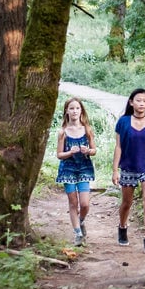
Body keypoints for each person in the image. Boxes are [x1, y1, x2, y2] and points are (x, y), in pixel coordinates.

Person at [112, 88, 145, 253]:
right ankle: (122, 226)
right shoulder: (123, 122)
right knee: (127, 203)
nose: (142, 103)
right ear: (131, 102)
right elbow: (118, 147)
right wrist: (115, 170)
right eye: (138, 100)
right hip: (128, 167)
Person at [56, 97, 96, 247]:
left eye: (77, 108)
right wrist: (70, 153)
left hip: (84, 168)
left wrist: (88, 150)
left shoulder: (87, 129)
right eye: (71, 108)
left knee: (85, 204)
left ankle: (81, 221)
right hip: (68, 170)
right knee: (73, 203)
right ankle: (78, 234)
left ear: (81, 111)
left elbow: (94, 150)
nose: (74, 111)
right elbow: (59, 154)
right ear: (67, 111)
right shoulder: (63, 132)